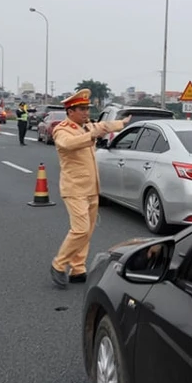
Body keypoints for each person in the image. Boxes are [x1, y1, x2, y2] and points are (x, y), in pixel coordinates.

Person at [50, 89, 132, 287]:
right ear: (70, 111)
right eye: (82, 109)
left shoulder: (85, 127)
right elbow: (68, 145)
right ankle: (58, 264)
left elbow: (103, 126)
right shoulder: (62, 130)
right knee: (80, 229)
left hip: (91, 188)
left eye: (87, 109)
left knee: (87, 232)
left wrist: (122, 123)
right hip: (74, 188)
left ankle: (78, 269)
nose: (86, 113)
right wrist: (91, 136)